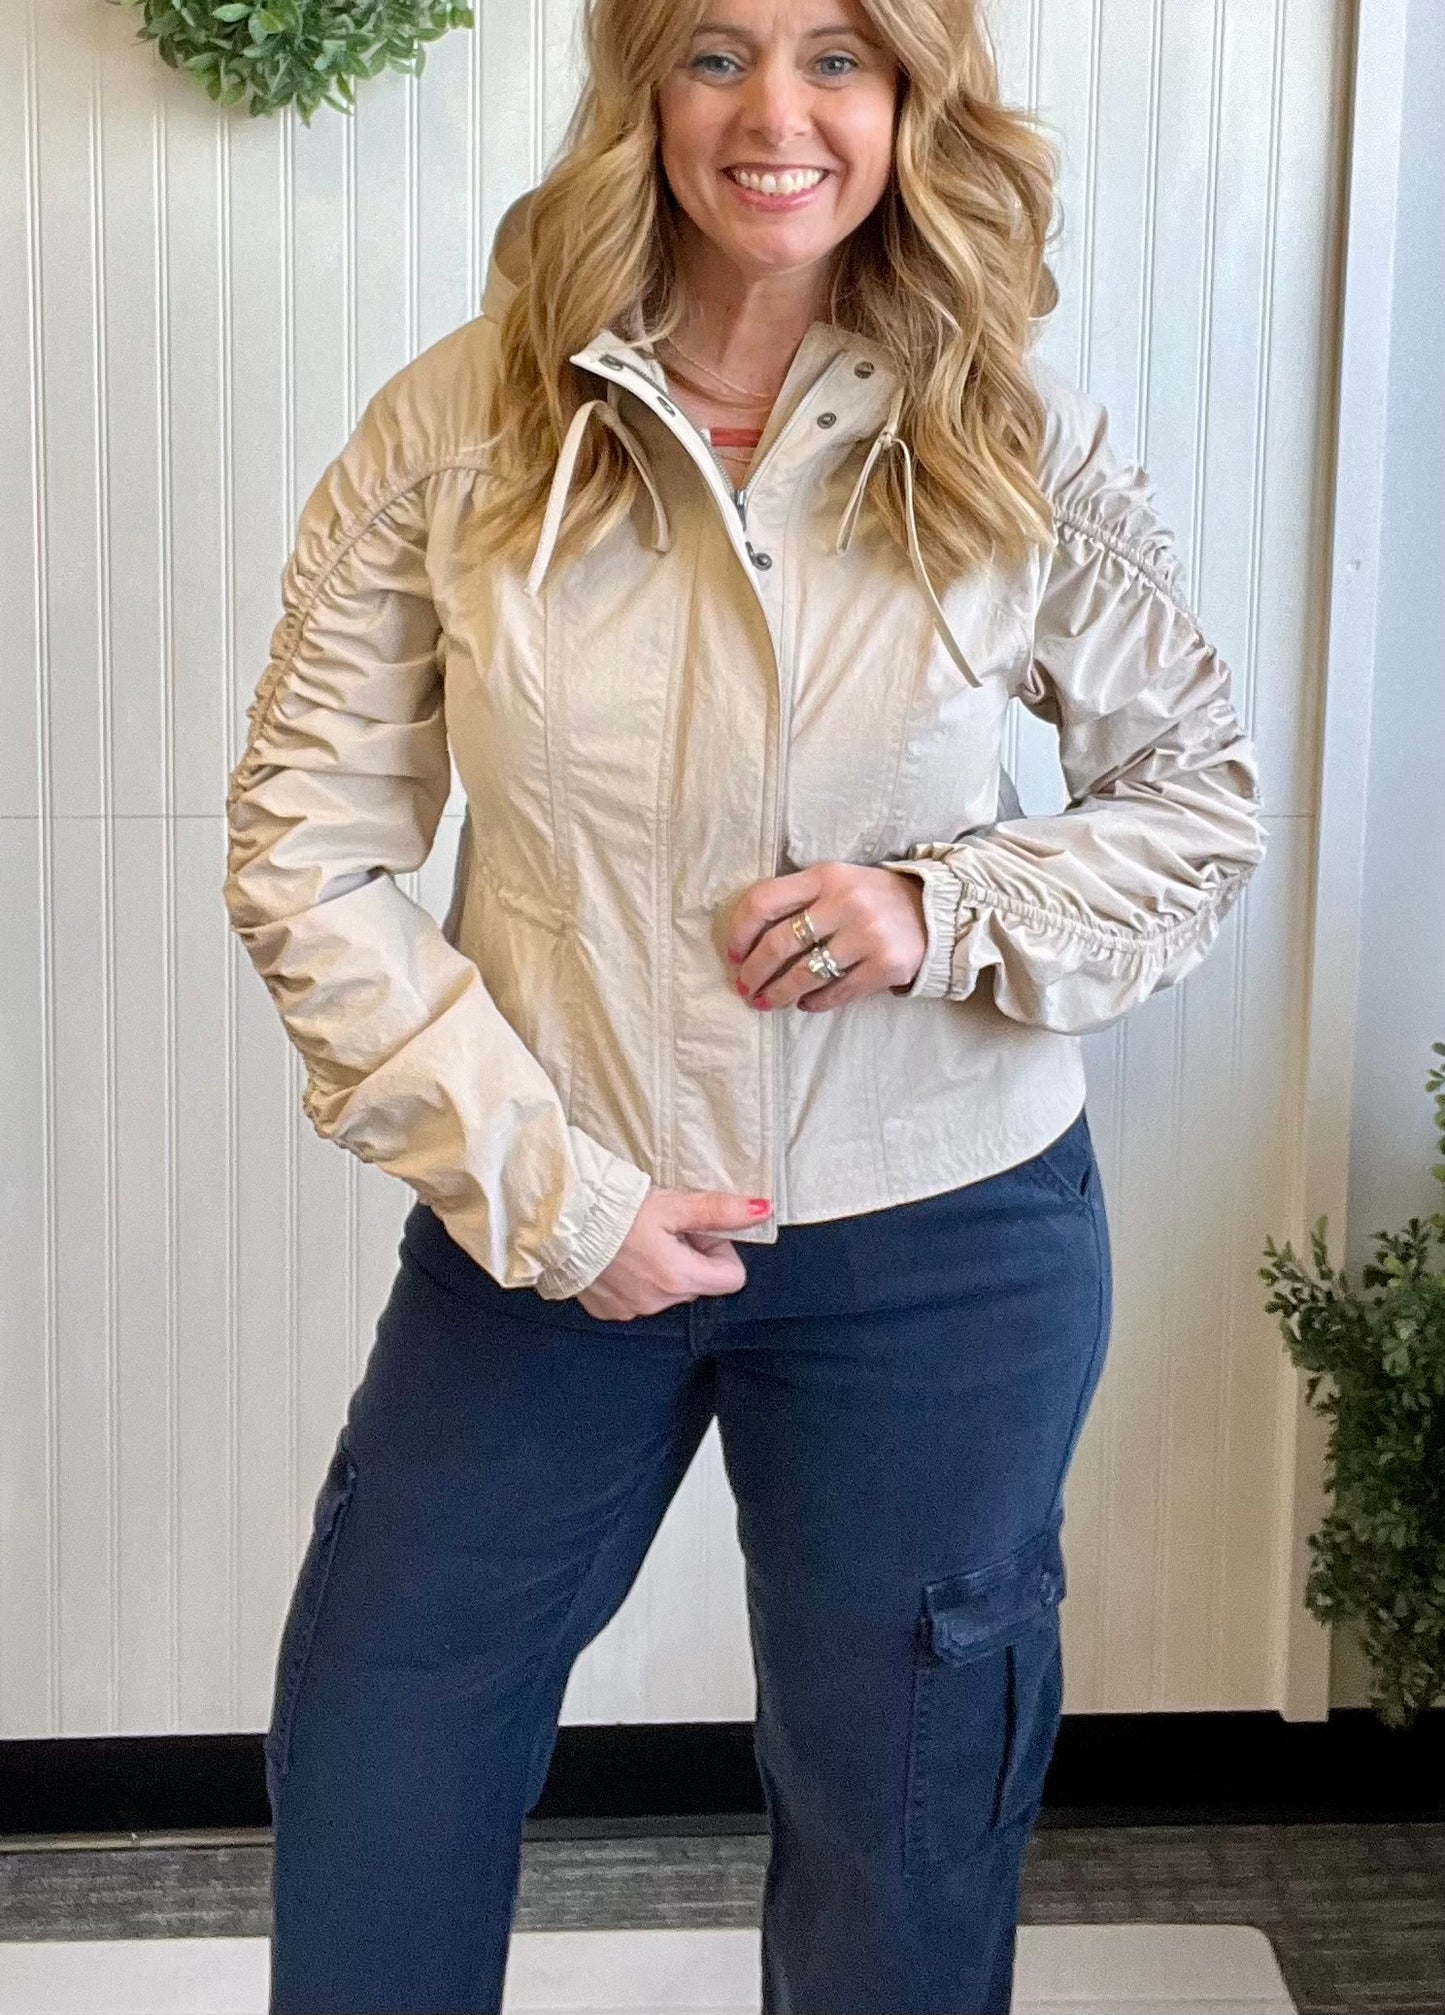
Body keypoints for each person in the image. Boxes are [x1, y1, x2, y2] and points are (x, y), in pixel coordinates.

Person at [223, 0, 1267, 2008]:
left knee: (904, 1836)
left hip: (939, 1251)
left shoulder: (1010, 433)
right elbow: (303, 845)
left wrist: (943, 908)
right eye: (715, 52)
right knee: (381, 1750)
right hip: (553, 1225)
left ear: (910, 94)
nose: (774, 113)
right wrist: (556, 1197)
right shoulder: (461, 426)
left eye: (835, 55)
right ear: (639, 84)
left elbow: (1195, 803)